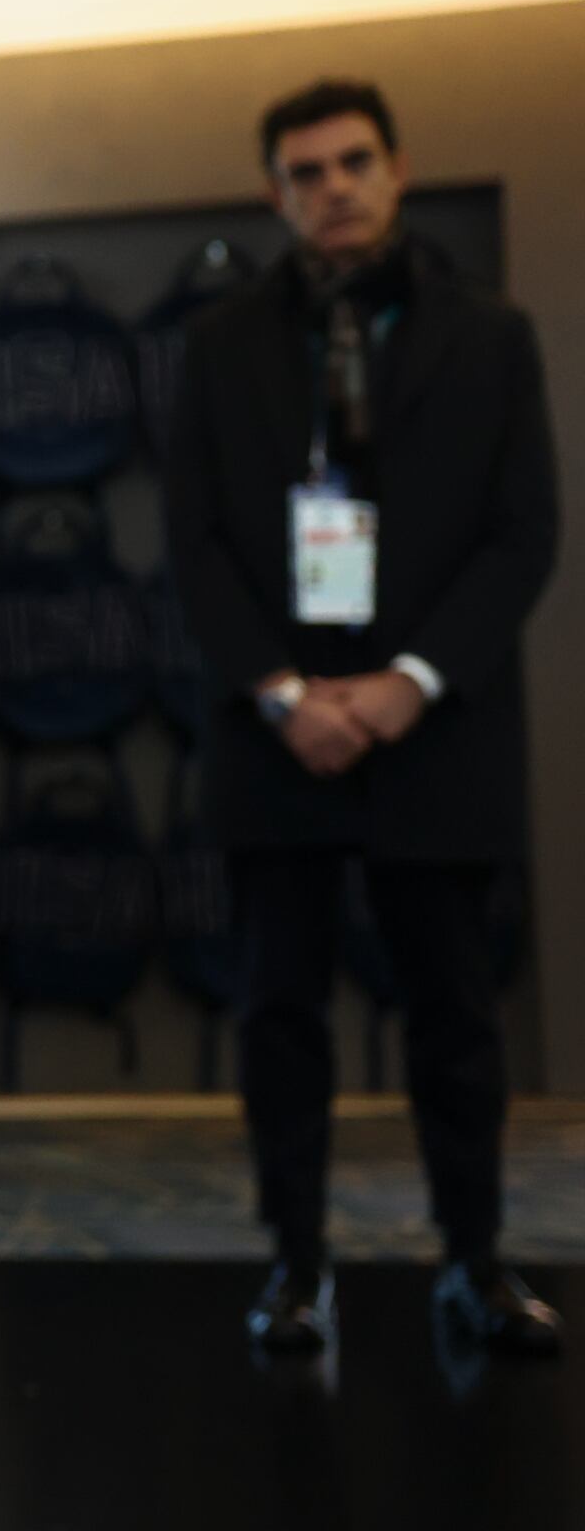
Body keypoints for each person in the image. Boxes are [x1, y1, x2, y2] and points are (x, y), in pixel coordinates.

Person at [161, 79, 561, 1360]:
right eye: (304, 172)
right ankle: (295, 1266)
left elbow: (522, 537)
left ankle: (479, 1263)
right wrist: (285, 692)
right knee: (280, 1017)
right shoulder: (221, 344)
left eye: (352, 163)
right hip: (275, 736)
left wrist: (404, 686)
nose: (331, 188)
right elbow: (195, 542)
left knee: (455, 1015)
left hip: (435, 730)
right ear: (276, 194)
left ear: (395, 171)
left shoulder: (492, 334)